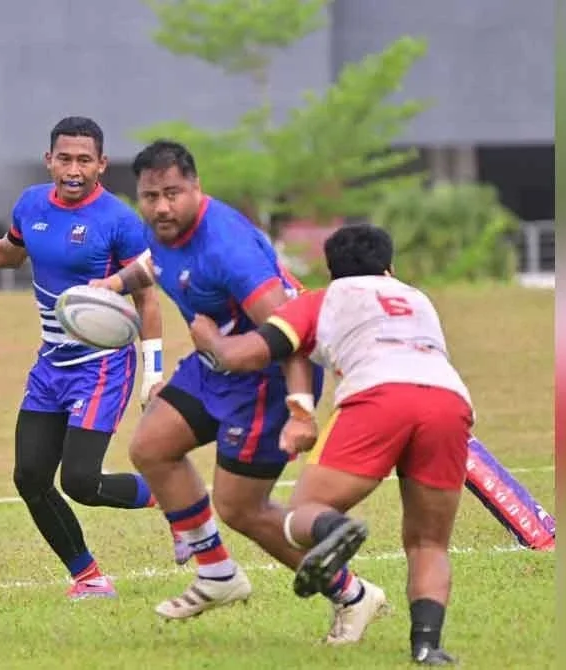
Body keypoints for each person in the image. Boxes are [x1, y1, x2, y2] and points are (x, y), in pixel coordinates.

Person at [92, 140, 388, 645]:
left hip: (266, 382)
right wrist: (113, 286)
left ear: (196, 187)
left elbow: (290, 335)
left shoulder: (226, 248)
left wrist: (299, 411)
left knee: (241, 509)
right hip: (216, 364)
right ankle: (217, 574)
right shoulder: (162, 226)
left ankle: (353, 594)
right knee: (151, 446)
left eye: (172, 194)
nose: (161, 206)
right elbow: (153, 262)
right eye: (150, 196)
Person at [0, 117, 189, 600]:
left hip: (102, 365)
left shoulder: (117, 220)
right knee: (30, 477)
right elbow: (9, 254)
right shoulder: (31, 203)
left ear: (101, 164)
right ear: (49, 159)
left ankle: (176, 502)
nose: (73, 169)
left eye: (84, 160)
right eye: (64, 158)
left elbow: (148, 297)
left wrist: (153, 374)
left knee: (81, 481)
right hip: (51, 363)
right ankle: (90, 578)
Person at [188, 223, 472, 665]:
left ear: (331, 269)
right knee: (428, 543)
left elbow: (250, 354)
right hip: (449, 400)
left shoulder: (323, 299)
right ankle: (427, 647)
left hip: (379, 396)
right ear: (390, 266)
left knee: (303, 513)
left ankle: (334, 530)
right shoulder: (418, 298)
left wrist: (212, 342)